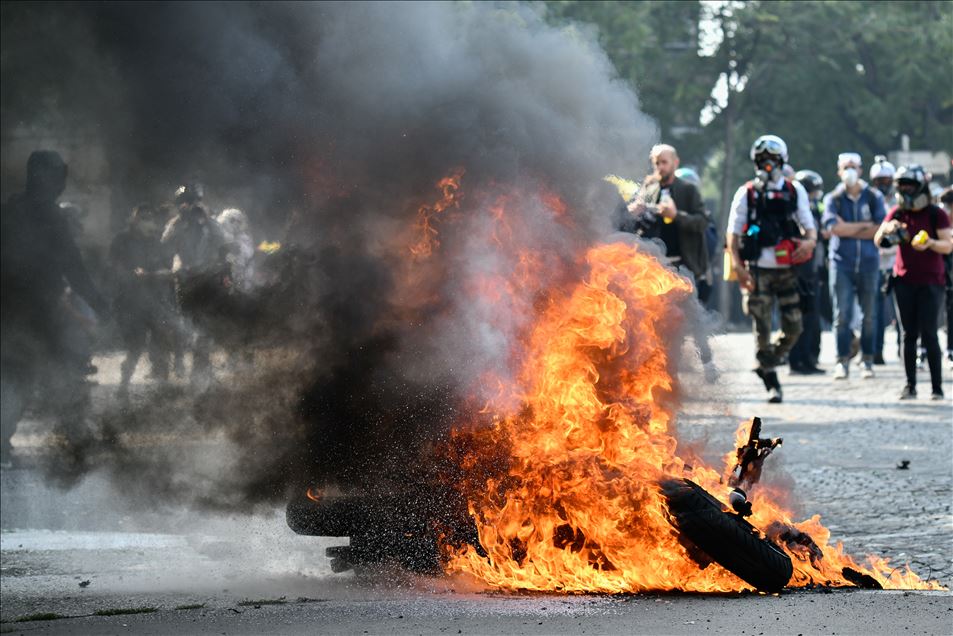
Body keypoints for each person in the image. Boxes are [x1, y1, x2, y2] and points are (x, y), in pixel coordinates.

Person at [1, 151, 108, 466]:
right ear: (45, 177)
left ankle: (5, 442)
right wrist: (100, 303)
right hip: (35, 311)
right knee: (64, 365)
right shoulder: (48, 216)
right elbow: (73, 266)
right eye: (59, 175)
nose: (62, 182)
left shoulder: (8, 212)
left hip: (14, 311)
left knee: (16, 375)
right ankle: (76, 439)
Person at [726, 135, 817, 403]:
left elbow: (808, 223)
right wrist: (737, 266)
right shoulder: (747, 193)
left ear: (781, 161)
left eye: (772, 160)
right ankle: (772, 378)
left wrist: (810, 242)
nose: (767, 165)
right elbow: (732, 233)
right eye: (762, 160)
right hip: (758, 270)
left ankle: (767, 361)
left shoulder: (794, 191)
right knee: (762, 326)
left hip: (788, 269)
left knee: (794, 327)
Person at [874, 166, 952, 399]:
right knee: (908, 334)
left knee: (929, 333)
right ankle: (910, 385)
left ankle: (937, 387)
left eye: (909, 185)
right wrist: (889, 230)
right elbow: (879, 239)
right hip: (904, 279)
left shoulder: (935, 214)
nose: (905, 190)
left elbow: (948, 244)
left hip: (931, 280)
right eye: (902, 185)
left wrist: (930, 243)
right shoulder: (897, 212)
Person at [821, 153, 886, 380]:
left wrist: (848, 227)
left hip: (869, 263)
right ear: (839, 171)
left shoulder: (874, 197)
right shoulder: (833, 198)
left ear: (860, 170)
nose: (849, 170)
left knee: (869, 315)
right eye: (845, 167)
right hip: (841, 264)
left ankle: (867, 359)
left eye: (853, 167)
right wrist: (863, 227)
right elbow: (833, 229)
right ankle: (842, 360)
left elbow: (880, 229)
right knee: (842, 316)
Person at [621, 145, 712, 300]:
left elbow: (702, 223)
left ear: (675, 163)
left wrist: (676, 215)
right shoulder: (649, 188)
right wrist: (634, 214)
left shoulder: (688, 190)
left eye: (664, 162)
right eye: (656, 163)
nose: (660, 167)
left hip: (684, 268)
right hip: (653, 269)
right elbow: (637, 227)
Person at [109, 203, 177, 399]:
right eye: (143, 217)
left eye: (150, 218)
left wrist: (152, 275)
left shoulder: (157, 243)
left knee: (162, 343)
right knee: (135, 347)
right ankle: (123, 387)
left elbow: (168, 271)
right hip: (131, 302)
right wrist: (131, 276)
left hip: (156, 301)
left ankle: (164, 390)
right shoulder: (121, 240)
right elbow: (114, 268)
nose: (148, 222)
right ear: (135, 220)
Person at [161, 183, 225, 384]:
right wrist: (182, 224)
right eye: (183, 203)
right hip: (185, 282)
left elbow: (222, 245)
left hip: (207, 280)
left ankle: (202, 368)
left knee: (205, 326)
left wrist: (205, 220)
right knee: (186, 324)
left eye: (190, 202)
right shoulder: (176, 224)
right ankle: (183, 362)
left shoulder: (210, 223)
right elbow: (164, 246)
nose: (187, 206)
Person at [787, 169, 826, 374]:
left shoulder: (814, 210)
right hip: (798, 270)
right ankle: (796, 360)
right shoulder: (793, 212)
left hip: (813, 270)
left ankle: (810, 359)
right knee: (797, 317)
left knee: (812, 317)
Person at [868, 156, 899, 365]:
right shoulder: (869, 200)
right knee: (876, 310)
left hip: (896, 260)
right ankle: (876, 350)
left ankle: (903, 349)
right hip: (876, 261)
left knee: (900, 309)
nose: (883, 185)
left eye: (886, 180)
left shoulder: (899, 202)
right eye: (879, 181)